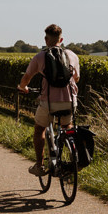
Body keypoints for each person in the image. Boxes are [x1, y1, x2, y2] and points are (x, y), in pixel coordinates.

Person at [17, 24, 80, 177]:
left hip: (48, 103)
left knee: (39, 129)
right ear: (62, 39)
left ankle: (39, 165)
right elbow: (76, 79)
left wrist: (22, 87)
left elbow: (27, 78)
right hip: (69, 101)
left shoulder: (40, 57)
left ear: (46, 39)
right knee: (67, 127)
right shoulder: (72, 55)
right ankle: (69, 155)